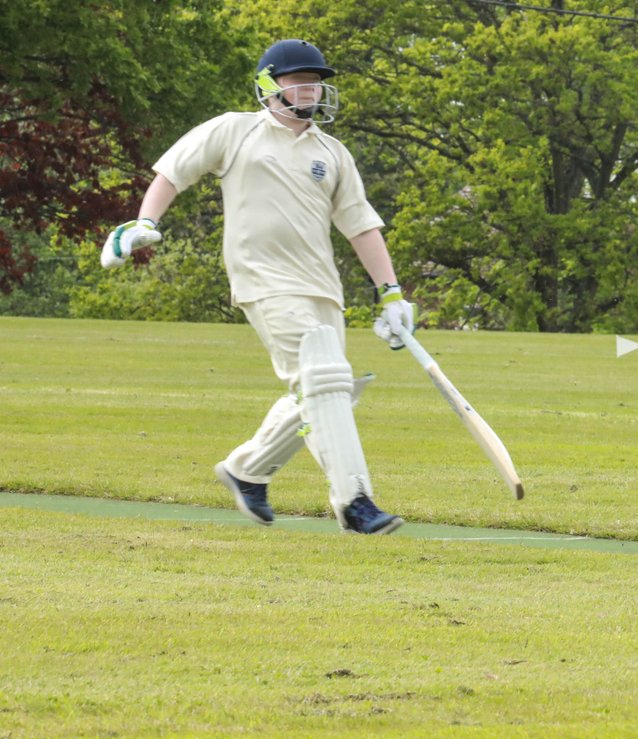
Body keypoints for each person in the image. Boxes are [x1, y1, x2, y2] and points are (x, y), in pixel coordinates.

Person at [101, 39, 415, 534]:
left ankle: (247, 471)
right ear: (270, 84)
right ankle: (355, 501)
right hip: (262, 280)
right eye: (299, 79)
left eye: (317, 80)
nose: (311, 88)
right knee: (326, 381)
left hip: (322, 288)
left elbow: (360, 226)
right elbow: (172, 171)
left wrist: (392, 293)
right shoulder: (235, 129)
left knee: (322, 389)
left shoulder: (332, 153)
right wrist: (144, 222)